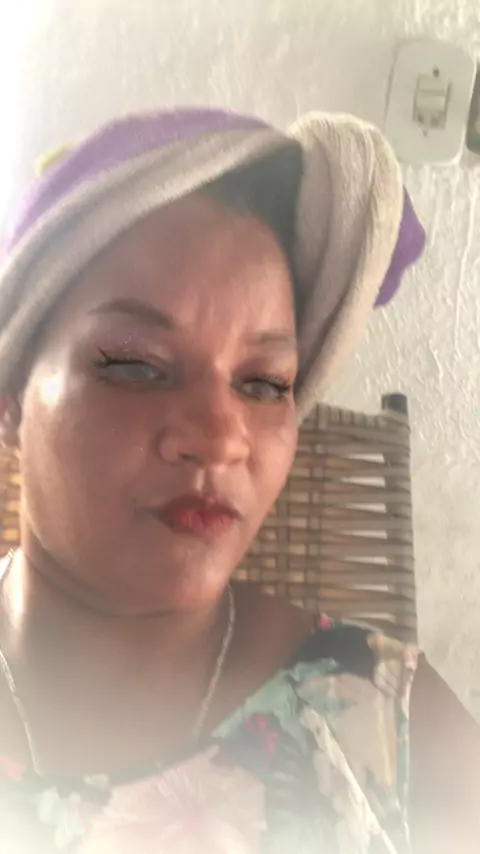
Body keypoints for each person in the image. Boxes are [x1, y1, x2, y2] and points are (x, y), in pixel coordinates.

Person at [0, 107, 478, 854]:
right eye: (136, 365)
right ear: (11, 399)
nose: (222, 438)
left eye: (263, 383)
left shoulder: (398, 730)